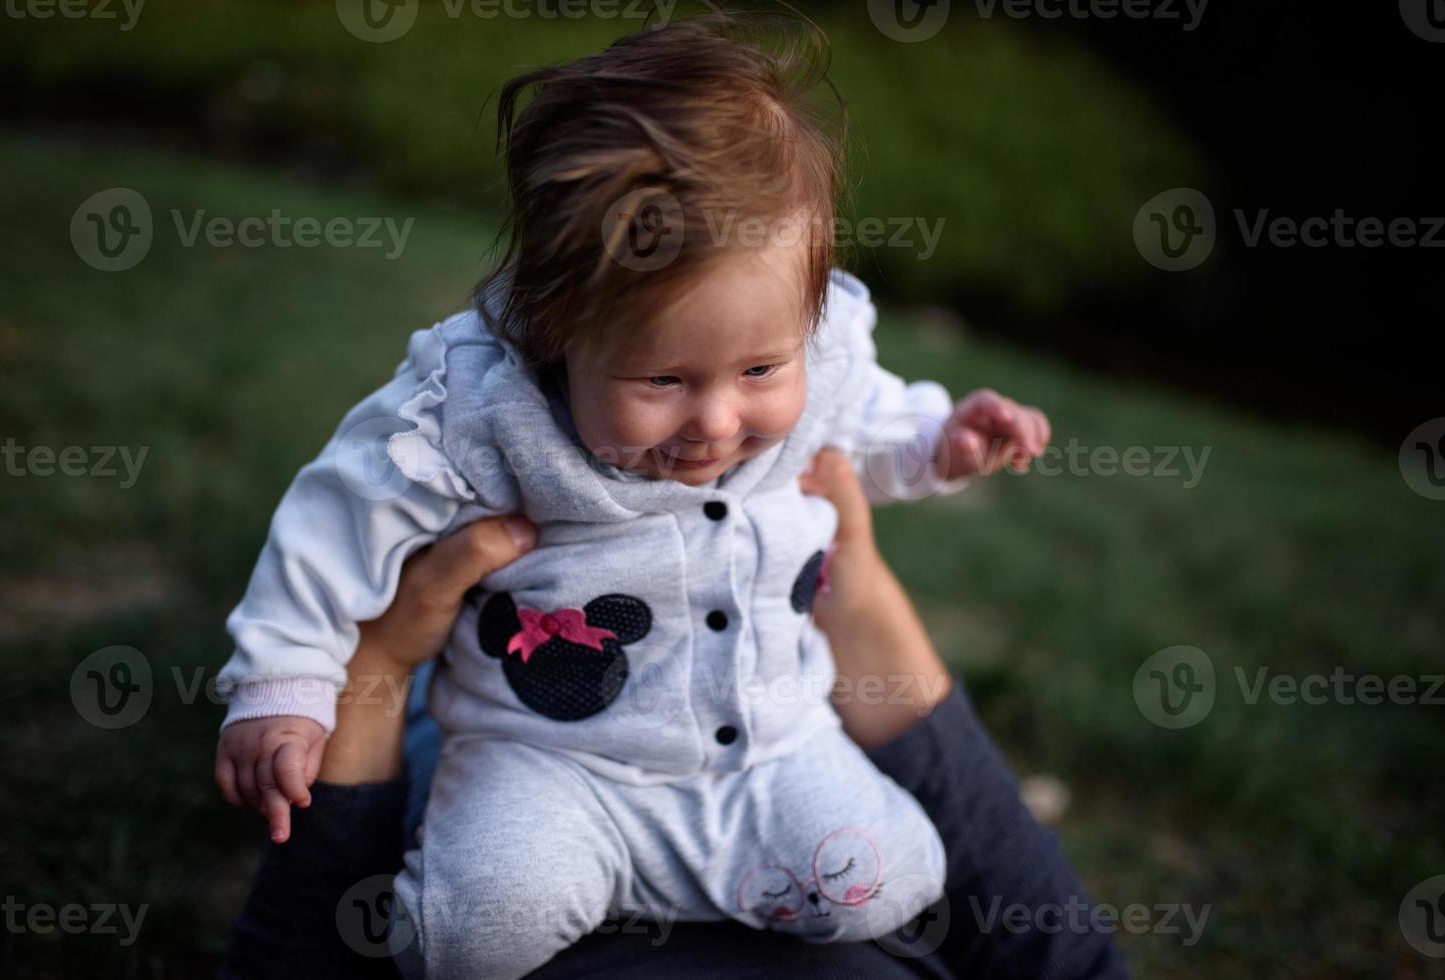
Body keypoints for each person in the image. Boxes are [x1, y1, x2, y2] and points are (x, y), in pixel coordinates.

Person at [212, 13, 1056, 977]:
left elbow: (870, 428)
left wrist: (942, 442)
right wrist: (283, 681)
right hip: (548, 765)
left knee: (893, 878)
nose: (716, 421)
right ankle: (551, 890)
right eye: (662, 382)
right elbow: (334, 522)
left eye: (759, 369)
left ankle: (732, 877)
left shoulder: (817, 363)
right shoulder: (478, 411)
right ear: (554, 326)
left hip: (768, 753)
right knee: (472, 933)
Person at [221, 448, 1128, 978]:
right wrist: (854, 595)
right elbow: (1063, 960)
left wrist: (375, 662)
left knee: (461, 624)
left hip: (509, 751)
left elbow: (298, 959)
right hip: (675, 756)